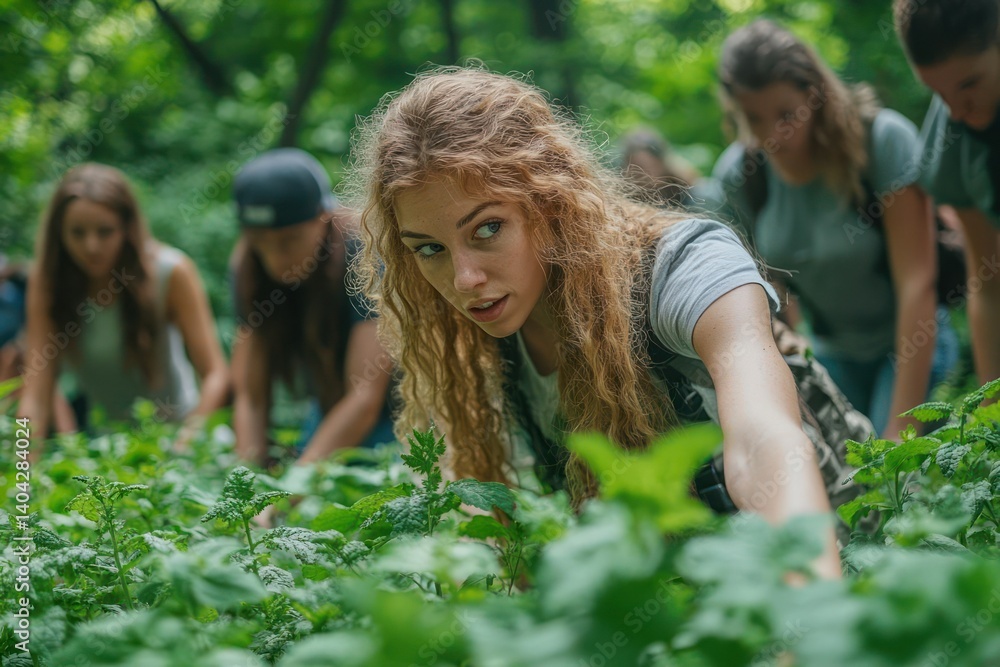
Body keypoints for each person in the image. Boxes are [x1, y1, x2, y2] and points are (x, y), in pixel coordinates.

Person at [345, 66, 873, 578]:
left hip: (839, 552)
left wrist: (808, 600)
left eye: (486, 229)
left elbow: (765, 438)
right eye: (430, 248)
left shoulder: (680, 266)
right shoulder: (484, 334)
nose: (463, 278)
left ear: (548, 203)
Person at [710, 19, 959, 437]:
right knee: (839, 479)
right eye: (753, 118)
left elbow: (918, 281)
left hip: (910, 343)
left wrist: (898, 431)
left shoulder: (881, 142)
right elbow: (765, 293)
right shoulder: (741, 177)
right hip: (830, 353)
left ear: (814, 96)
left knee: (893, 477)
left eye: (786, 115)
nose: (771, 136)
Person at [18, 163, 229, 451]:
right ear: (59, 234)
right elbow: (35, 396)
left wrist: (189, 440)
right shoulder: (47, 285)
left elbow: (216, 375)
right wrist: (21, 476)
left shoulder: (172, 272)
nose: (91, 246)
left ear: (127, 229)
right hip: (110, 451)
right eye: (77, 233)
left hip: (185, 442)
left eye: (105, 232)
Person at [229, 148, 395, 471]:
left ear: (324, 219)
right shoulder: (247, 268)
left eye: (289, 240)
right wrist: (250, 489)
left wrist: (293, 490)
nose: (275, 258)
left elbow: (364, 397)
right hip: (331, 410)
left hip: (406, 412)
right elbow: (251, 397)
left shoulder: (364, 255)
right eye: (260, 240)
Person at [895, 0, 1000, 385]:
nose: (955, 110)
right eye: (938, 92)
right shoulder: (952, 136)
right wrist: (993, 408)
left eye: (969, 84)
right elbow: (989, 289)